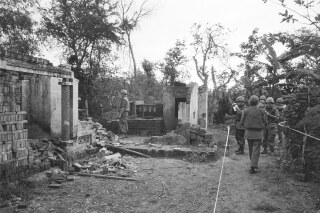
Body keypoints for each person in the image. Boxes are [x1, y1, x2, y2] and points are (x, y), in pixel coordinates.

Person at [240, 95, 267, 174]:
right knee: (256, 150)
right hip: (258, 133)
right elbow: (265, 122)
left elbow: (241, 122)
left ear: (249, 102)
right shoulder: (262, 111)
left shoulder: (245, 111)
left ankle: (253, 164)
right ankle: (253, 166)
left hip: (248, 133)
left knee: (251, 149)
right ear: (257, 102)